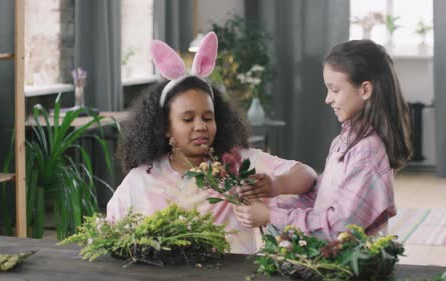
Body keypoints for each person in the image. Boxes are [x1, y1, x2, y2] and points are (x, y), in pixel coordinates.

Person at [106, 32, 316, 254]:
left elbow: (307, 175)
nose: (200, 126)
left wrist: (275, 184)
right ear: (165, 127)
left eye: (208, 118)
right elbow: (112, 236)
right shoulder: (141, 180)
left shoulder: (238, 164)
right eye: (188, 119)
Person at [233, 39, 412, 240]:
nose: (328, 99)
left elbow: (341, 227)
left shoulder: (368, 151)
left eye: (335, 90)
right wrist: (270, 205)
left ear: (365, 90)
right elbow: (321, 198)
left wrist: (271, 215)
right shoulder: (344, 141)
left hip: (346, 267)